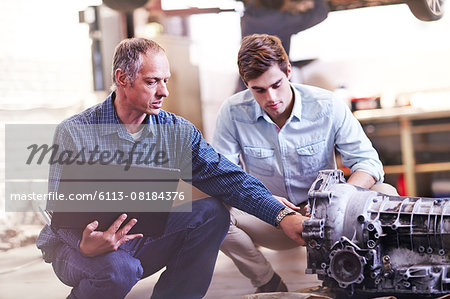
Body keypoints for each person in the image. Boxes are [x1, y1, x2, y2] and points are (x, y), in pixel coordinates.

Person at [36, 37, 308, 299]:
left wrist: (281, 215)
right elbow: (59, 213)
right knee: (119, 270)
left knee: (212, 213)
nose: (164, 91)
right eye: (152, 82)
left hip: (136, 237)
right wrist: (84, 245)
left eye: (165, 81)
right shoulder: (76, 132)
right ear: (122, 79)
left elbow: (228, 178)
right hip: (76, 248)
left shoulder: (176, 131)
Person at [212, 34, 398, 293]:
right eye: (259, 90)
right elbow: (225, 180)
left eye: (277, 84)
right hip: (271, 219)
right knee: (212, 214)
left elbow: (368, 163)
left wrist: (336, 199)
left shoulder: (328, 104)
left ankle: (378, 277)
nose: (271, 98)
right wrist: (274, 210)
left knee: (386, 195)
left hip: (331, 217)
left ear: (288, 71)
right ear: (246, 84)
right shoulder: (232, 113)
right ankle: (267, 282)